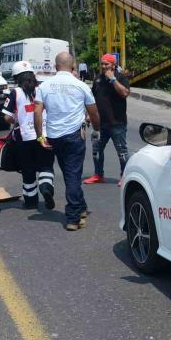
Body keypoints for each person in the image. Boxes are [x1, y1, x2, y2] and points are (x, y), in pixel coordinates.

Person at [34, 52, 101, 231]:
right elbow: (93, 113)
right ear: (73, 68)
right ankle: (73, 217)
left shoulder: (44, 86)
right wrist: (97, 129)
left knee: (70, 174)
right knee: (72, 175)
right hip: (74, 136)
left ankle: (82, 207)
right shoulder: (81, 86)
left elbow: (37, 112)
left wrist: (40, 136)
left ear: (56, 67)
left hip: (53, 136)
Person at [2, 61, 56, 209]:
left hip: (23, 138)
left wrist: (16, 119)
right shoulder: (43, 89)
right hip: (44, 135)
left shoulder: (15, 92)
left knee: (28, 169)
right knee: (46, 166)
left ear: (16, 78)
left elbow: (7, 117)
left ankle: (31, 202)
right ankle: (46, 187)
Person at [83, 54, 131, 187]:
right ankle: (98, 175)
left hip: (117, 122)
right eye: (102, 64)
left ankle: (125, 176)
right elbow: (92, 99)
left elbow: (125, 93)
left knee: (122, 151)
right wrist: (88, 114)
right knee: (96, 149)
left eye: (107, 64)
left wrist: (113, 79)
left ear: (113, 65)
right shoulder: (98, 79)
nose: (104, 66)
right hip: (100, 124)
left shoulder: (121, 77)